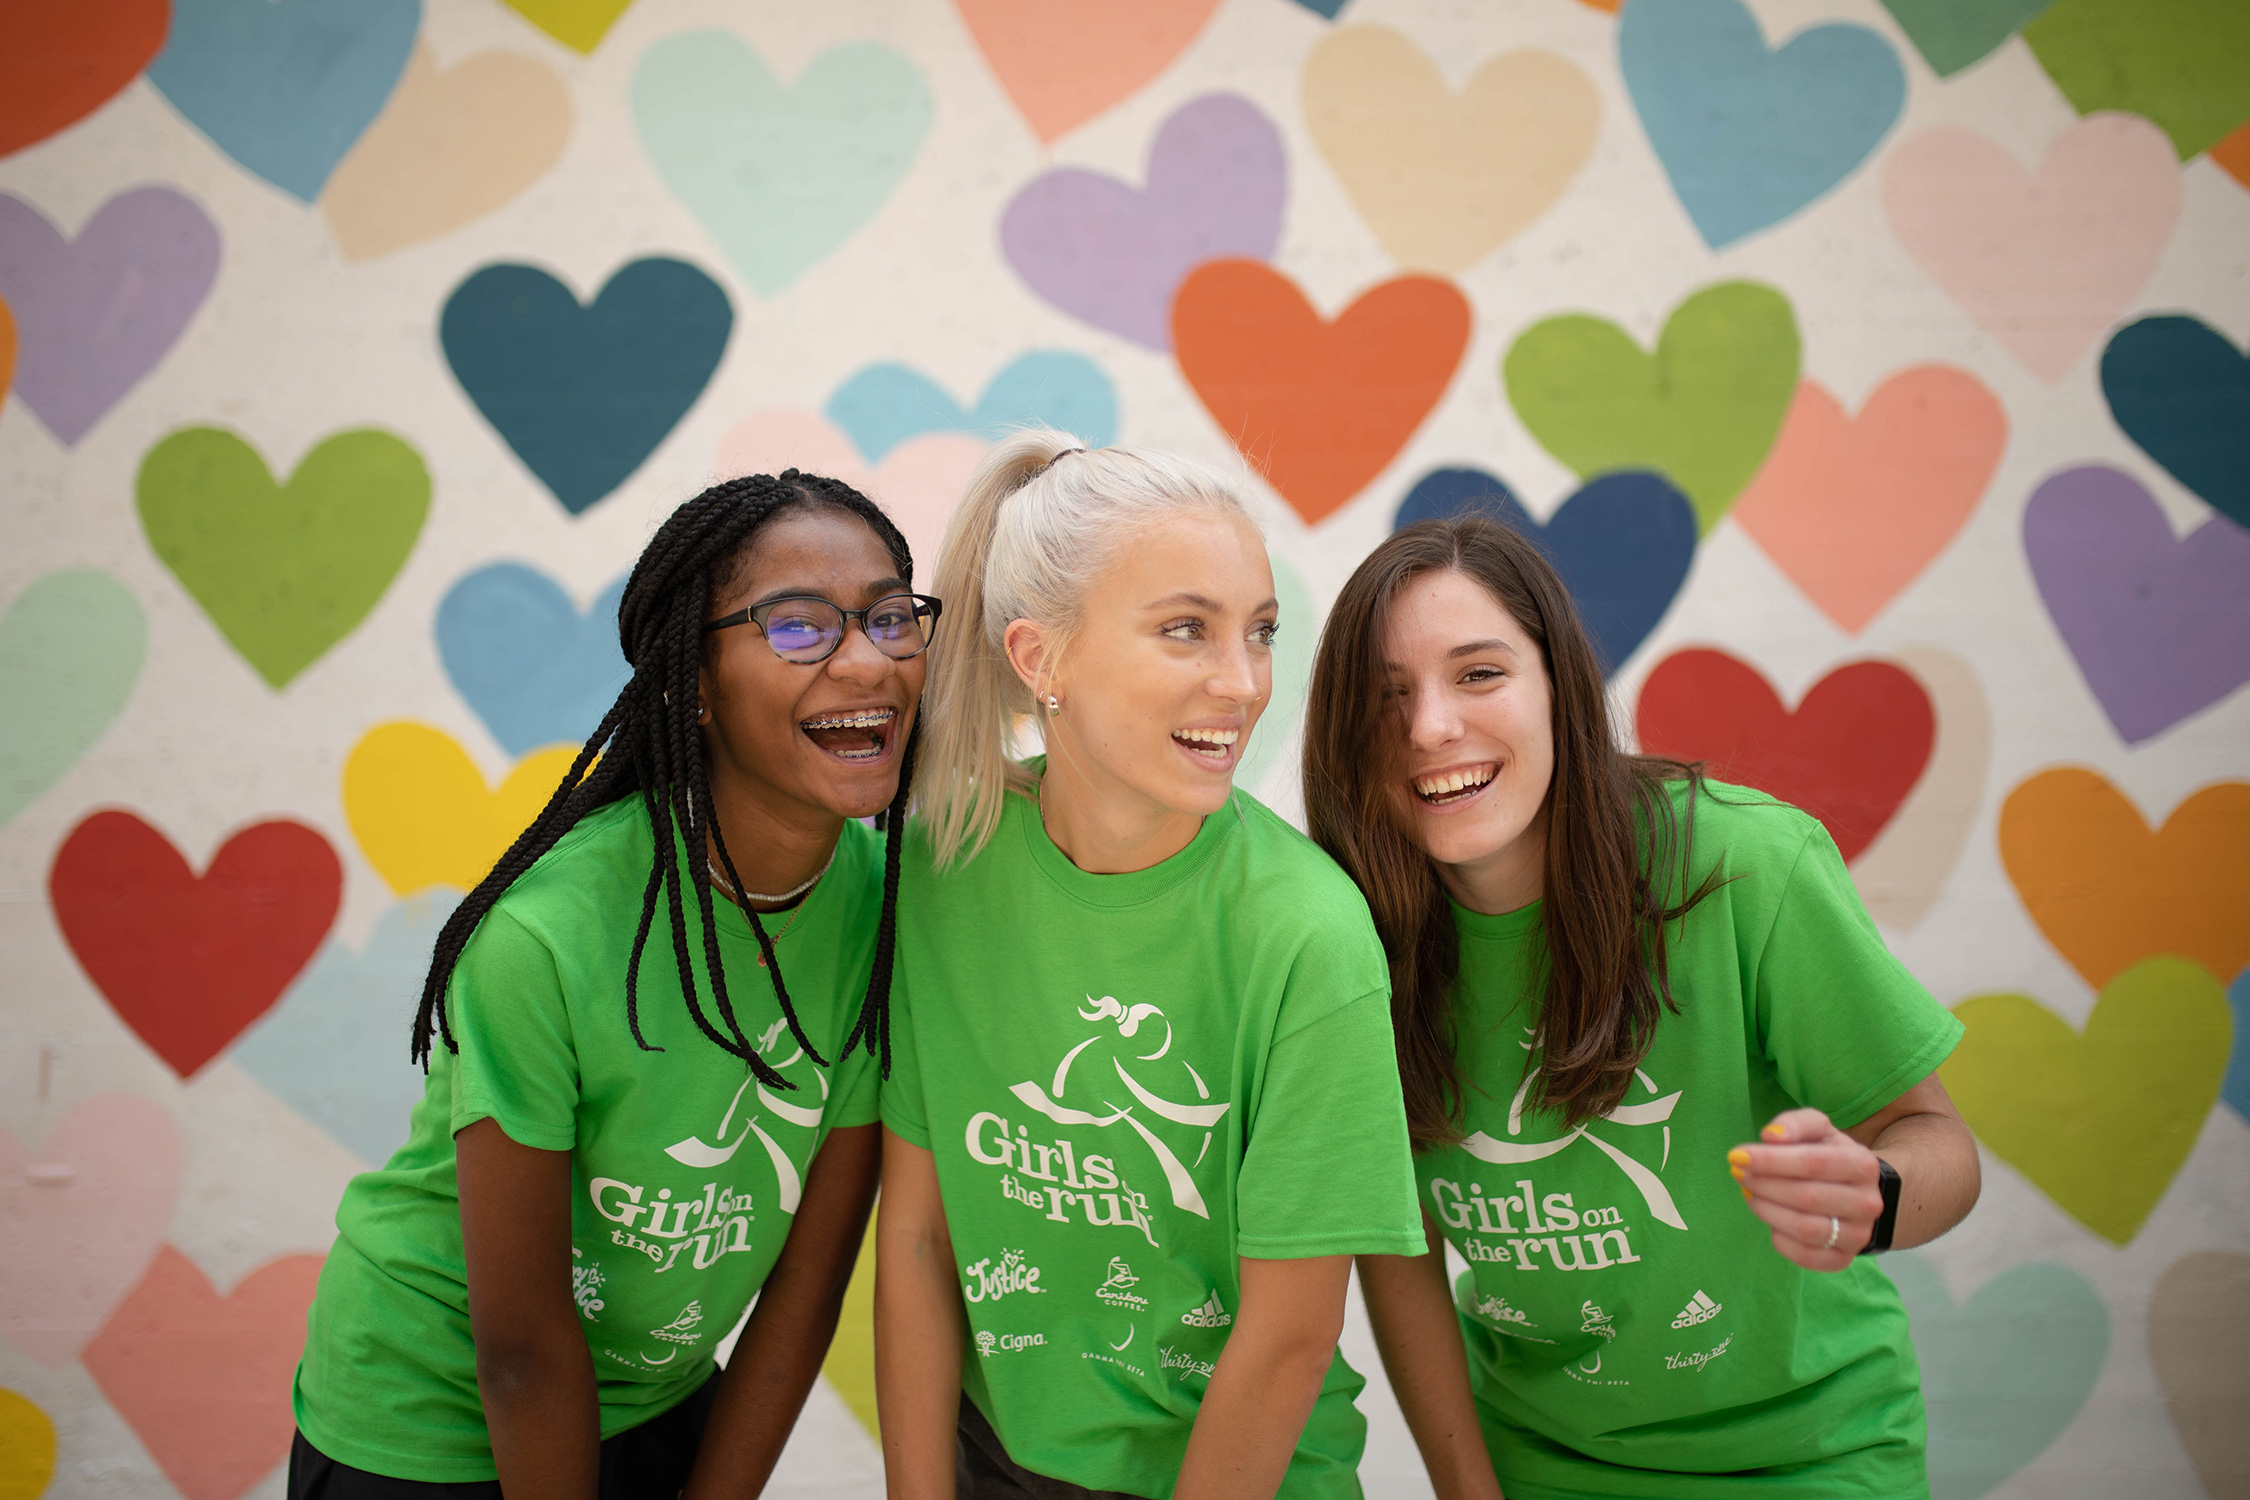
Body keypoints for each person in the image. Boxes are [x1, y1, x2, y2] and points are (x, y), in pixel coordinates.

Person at [288, 471, 940, 1498]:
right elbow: (521, 1347)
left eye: (891, 616)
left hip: (658, 1403)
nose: (868, 660)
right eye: (799, 628)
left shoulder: (888, 906)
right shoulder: (546, 938)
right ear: (692, 682)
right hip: (430, 1420)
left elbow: (807, 1286)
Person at [1302, 517, 1980, 1500]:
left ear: (1559, 686)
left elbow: (1942, 1147)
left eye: (1479, 674)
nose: (1429, 728)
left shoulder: (1744, 868)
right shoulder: (1347, 936)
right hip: (1546, 1467)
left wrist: (1871, 1198)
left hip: (1812, 1457)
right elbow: (1402, 1258)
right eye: (1386, 697)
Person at [875, 431, 1425, 1500]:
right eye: (1187, 631)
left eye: (1260, 633)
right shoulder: (943, 868)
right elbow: (916, 1238)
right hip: (995, 1462)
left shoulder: (1307, 935)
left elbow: (1287, 1343)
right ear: (1041, 659)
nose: (1244, 682)